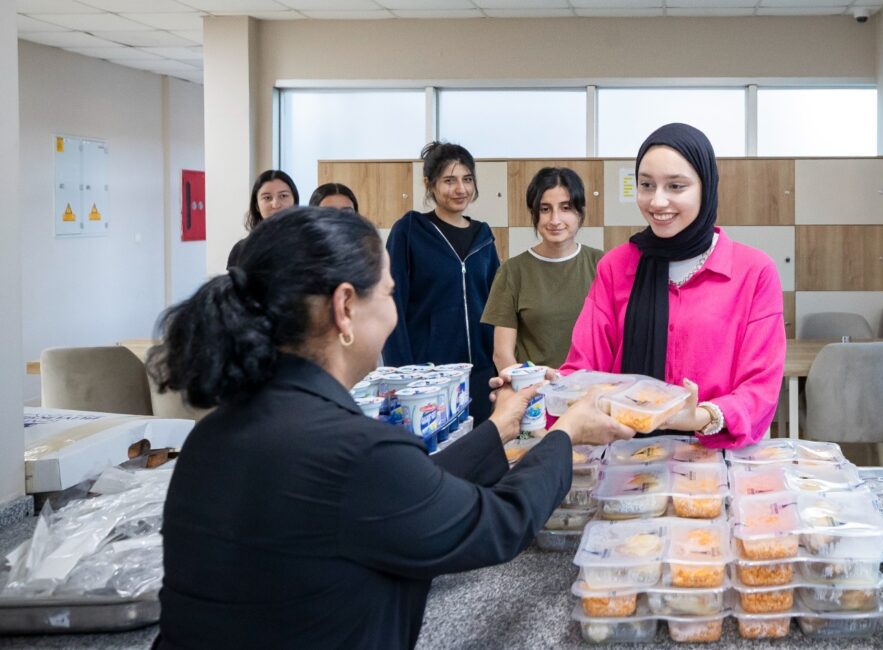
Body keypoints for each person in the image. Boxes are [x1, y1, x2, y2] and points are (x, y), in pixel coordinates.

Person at [148, 207, 633, 650]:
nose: (394, 310)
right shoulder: (353, 451)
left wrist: (498, 428)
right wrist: (565, 434)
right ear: (344, 307)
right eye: (388, 292)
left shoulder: (216, 433)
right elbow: (498, 523)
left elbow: (406, 488)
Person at [561, 123, 786, 449]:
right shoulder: (616, 267)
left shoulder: (754, 272)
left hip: (713, 460)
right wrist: (543, 388)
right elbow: (583, 367)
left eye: (676, 186)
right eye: (646, 185)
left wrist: (703, 416)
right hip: (625, 457)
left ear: (706, 187)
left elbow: (760, 388)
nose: (657, 201)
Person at [383, 142, 499, 423]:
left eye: (467, 179)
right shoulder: (410, 231)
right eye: (449, 180)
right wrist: (403, 376)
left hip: (480, 374)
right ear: (429, 183)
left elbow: (497, 305)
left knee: (482, 447)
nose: (461, 189)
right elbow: (390, 304)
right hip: (427, 379)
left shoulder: (483, 236)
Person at [482, 167, 602, 369]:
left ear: (580, 212)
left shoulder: (602, 265)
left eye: (565, 208)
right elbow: (502, 355)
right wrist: (524, 385)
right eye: (545, 209)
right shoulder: (512, 271)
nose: (555, 220)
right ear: (534, 214)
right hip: (535, 386)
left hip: (591, 385)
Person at [227, 169, 299, 268]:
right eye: (267, 198)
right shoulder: (241, 250)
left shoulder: (310, 244)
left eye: (283, 196)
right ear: (257, 205)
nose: (275, 204)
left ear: (294, 201)